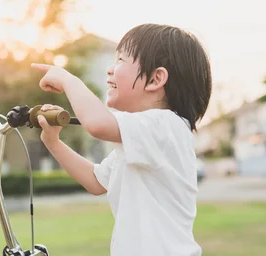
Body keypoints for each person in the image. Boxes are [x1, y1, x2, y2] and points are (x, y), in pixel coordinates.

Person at [31, 23, 212, 256]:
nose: (110, 69)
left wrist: (69, 80)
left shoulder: (167, 126)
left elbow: (97, 124)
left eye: (120, 61)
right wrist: (53, 143)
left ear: (155, 79)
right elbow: (96, 182)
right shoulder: (140, 138)